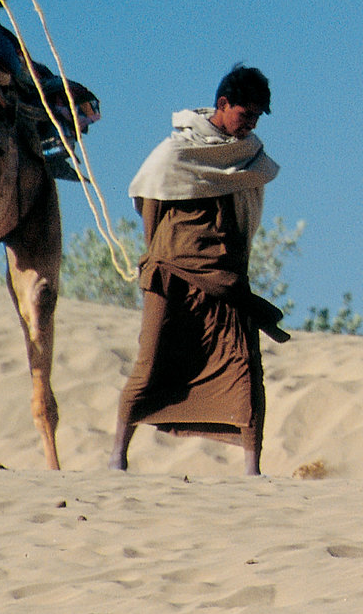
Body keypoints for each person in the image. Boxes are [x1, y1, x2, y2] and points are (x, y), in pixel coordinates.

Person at [112, 64, 287, 477]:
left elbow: (245, 214)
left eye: (258, 118)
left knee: (244, 368)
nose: (251, 126)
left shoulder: (249, 156)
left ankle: (251, 470)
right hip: (171, 273)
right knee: (151, 362)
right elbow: (149, 207)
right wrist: (167, 256)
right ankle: (116, 457)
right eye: (246, 115)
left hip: (225, 276)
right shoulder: (174, 153)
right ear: (223, 105)